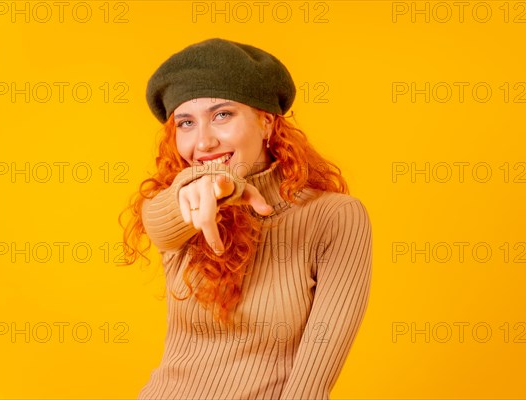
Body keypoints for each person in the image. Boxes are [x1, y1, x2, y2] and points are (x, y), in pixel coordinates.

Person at [121, 37, 373, 400]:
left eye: (222, 115)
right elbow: (160, 222)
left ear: (267, 122)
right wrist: (205, 187)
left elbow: (311, 382)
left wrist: (226, 186)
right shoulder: (184, 204)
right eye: (186, 123)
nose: (204, 142)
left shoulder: (334, 218)